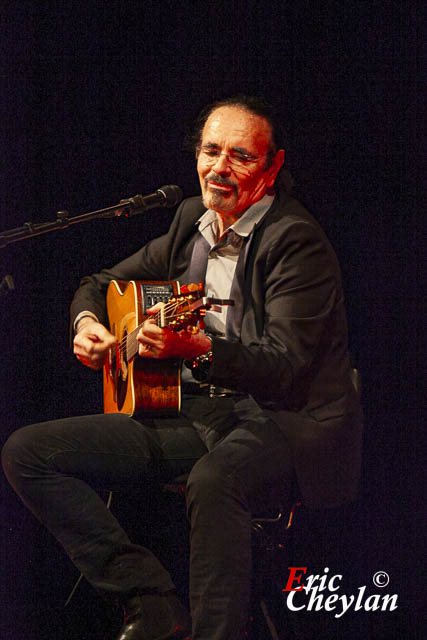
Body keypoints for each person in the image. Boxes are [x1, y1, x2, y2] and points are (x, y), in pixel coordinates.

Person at [2, 95, 362, 640]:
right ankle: (150, 603)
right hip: (200, 413)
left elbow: (285, 367)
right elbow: (98, 284)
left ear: (272, 166)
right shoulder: (192, 219)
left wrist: (194, 350)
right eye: (210, 151)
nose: (219, 167)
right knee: (29, 452)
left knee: (214, 480)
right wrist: (86, 326)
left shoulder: (297, 242)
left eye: (240, 156)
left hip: (288, 421)